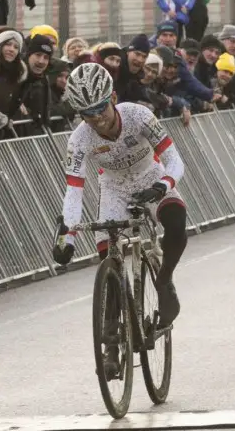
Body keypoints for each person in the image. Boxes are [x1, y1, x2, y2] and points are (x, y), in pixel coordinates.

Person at [52, 63, 188, 377]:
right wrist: (66, 237)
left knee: (177, 224)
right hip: (113, 189)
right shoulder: (80, 139)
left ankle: (164, 281)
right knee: (108, 261)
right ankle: (111, 346)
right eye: (87, 113)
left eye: (100, 108)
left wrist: (161, 186)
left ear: (112, 97)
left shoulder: (139, 116)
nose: (97, 118)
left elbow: (174, 160)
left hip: (151, 177)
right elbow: (74, 192)